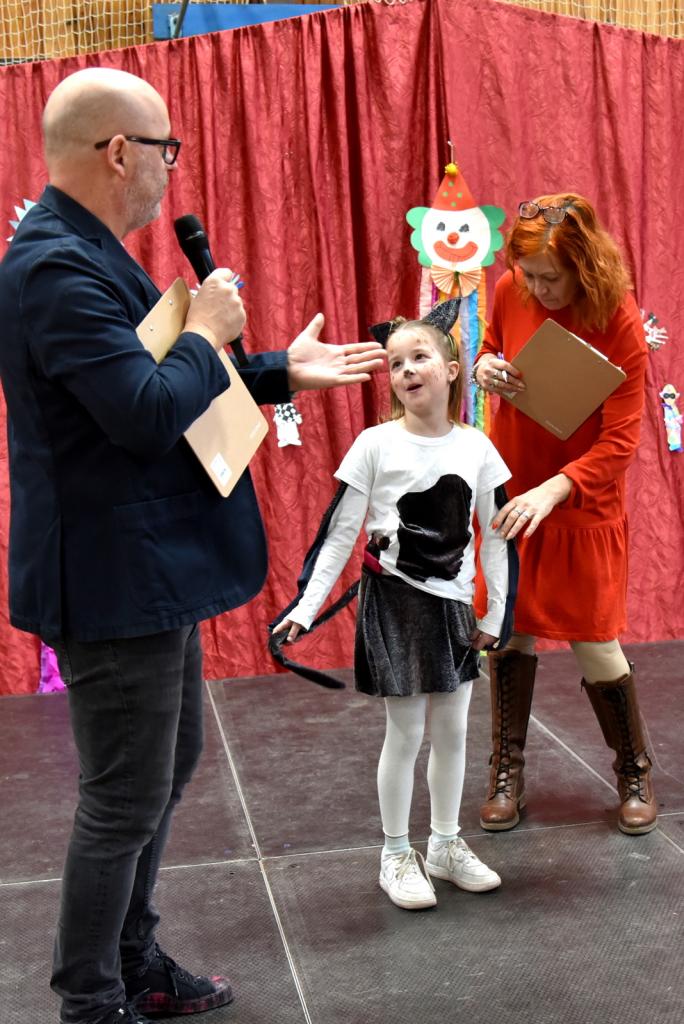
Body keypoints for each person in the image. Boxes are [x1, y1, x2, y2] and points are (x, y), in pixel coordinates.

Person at [0, 67, 386, 1024]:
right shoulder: (53, 269)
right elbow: (145, 410)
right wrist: (210, 333)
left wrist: (276, 369)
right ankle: (91, 1002)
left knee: (163, 770)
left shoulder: (89, 253)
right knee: (122, 796)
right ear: (117, 152)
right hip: (111, 575)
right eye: (163, 149)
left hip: (147, 565)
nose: (170, 168)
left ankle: (133, 961)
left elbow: (154, 381)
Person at [273, 303, 516, 911]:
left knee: (453, 732)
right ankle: (395, 853)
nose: (406, 370)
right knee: (405, 733)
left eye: (419, 357)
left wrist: (494, 615)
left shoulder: (477, 447)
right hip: (396, 604)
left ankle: (445, 844)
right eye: (396, 363)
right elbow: (339, 534)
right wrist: (306, 606)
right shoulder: (373, 444)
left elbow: (495, 537)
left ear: (453, 370)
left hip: (453, 610)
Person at [471, 192, 656, 837]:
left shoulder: (619, 319)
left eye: (550, 277)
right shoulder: (511, 288)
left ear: (585, 267)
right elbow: (490, 346)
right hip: (513, 482)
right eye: (528, 275)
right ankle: (506, 772)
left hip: (579, 500)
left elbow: (620, 443)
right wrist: (486, 367)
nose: (538, 289)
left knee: (594, 639)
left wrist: (556, 490)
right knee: (508, 632)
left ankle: (634, 770)